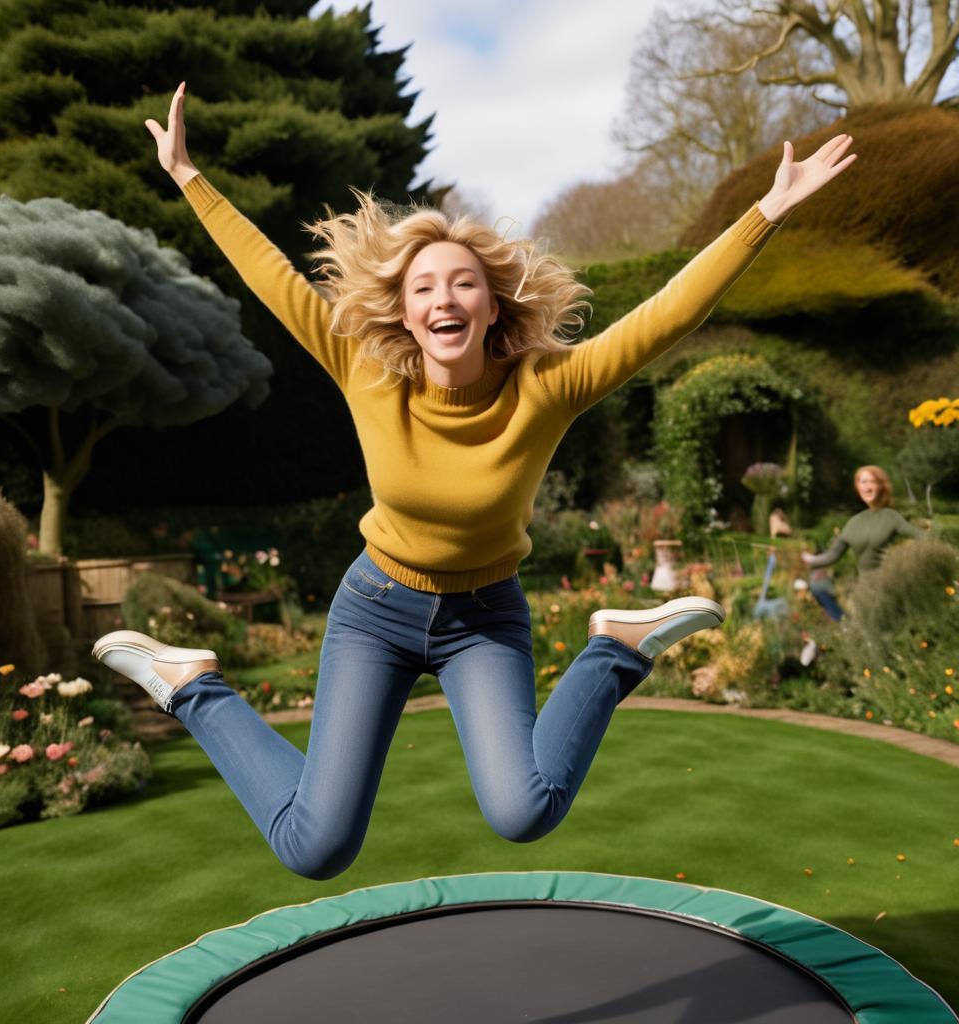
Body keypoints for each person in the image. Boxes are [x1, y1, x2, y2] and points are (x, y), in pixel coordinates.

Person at [94, 82, 856, 880]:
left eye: (462, 283)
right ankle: (193, 688)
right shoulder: (365, 368)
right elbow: (272, 275)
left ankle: (616, 650)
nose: (442, 298)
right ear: (404, 312)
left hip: (484, 619)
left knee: (524, 810)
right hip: (375, 612)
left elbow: (665, 316)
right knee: (314, 847)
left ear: (493, 305)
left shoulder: (547, 386)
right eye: (423, 287)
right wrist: (187, 175)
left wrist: (764, 214)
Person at [801, 465, 924, 621]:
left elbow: (921, 536)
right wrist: (810, 559)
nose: (867, 486)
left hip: (887, 590)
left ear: (881, 486)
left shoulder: (890, 517)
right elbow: (833, 555)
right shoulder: (854, 522)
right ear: (858, 487)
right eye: (863, 482)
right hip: (864, 592)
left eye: (872, 481)